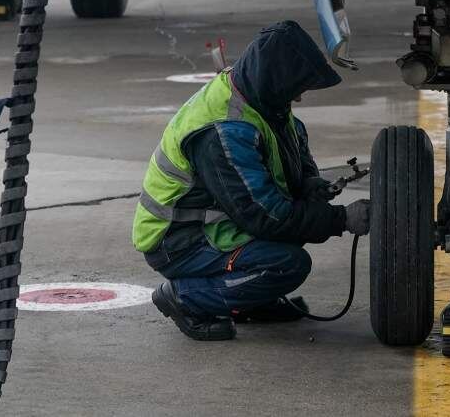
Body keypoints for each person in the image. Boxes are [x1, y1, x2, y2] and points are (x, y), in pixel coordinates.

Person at [133, 21, 370, 340]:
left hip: (213, 222)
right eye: (298, 87)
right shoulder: (226, 132)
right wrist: (340, 219)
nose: (299, 97)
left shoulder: (264, 100)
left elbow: (286, 166)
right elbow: (265, 216)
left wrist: (309, 186)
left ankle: (251, 301)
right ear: (278, 79)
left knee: (295, 223)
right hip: (179, 240)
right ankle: (186, 297)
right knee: (286, 263)